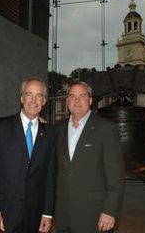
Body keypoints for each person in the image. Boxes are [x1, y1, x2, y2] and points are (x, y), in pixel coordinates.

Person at [0, 77, 56, 233]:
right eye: (29, 94)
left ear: (44, 101)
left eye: (39, 95)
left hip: (34, 216)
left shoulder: (50, 133)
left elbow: (50, 176)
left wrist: (47, 213)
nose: (33, 100)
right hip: (2, 215)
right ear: (22, 98)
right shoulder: (0, 127)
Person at [54, 81, 125, 233]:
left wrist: (110, 211)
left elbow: (116, 177)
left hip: (94, 216)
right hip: (63, 215)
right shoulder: (57, 129)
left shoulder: (106, 129)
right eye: (72, 96)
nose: (77, 100)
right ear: (67, 101)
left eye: (82, 96)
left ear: (90, 101)